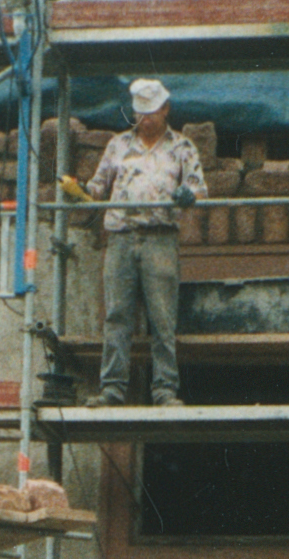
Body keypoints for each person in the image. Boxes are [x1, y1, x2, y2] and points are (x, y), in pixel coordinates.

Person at [87, 79, 204, 405]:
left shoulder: (182, 147)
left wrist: (188, 195)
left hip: (160, 238)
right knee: (117, 315)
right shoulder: (118, 145)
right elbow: (98, 184)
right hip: (121, 237)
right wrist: (82, 191)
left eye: (151, 112)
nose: (146, 119)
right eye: (140, 112)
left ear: (165, 109)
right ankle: (112, 389)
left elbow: (198, 186)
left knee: (162, 318)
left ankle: (165, 390)